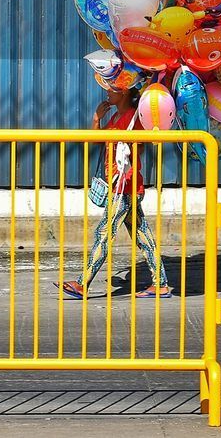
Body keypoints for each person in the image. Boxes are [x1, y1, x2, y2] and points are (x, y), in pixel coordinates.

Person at [62, 91, 172, 300]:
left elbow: (138, 150)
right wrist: (96, 119)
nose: (107, 92)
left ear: (124, 92)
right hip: (122, 187)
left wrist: (122, 179)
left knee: (103, 235)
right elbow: (97, 141)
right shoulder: (115, 117)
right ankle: (161, 285)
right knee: (144, 238)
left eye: (112, 88)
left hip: (124, 188)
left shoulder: (133, 118)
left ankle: (82, 283)